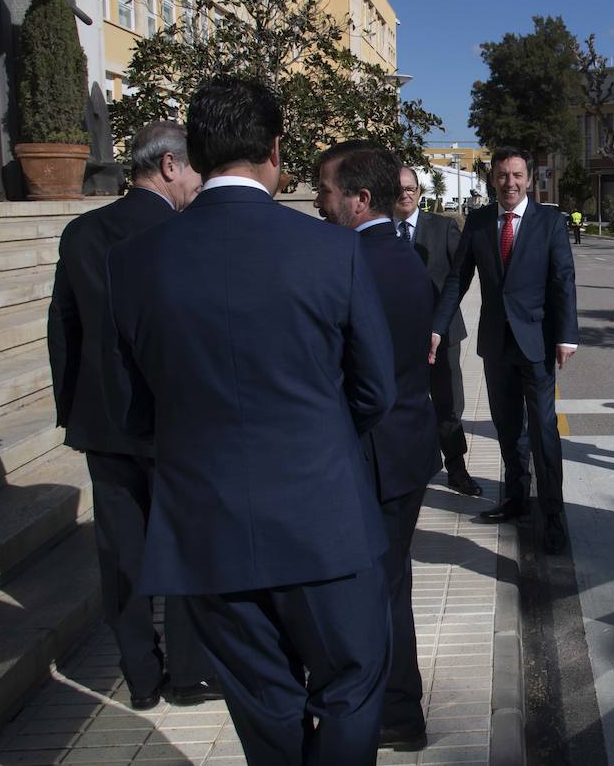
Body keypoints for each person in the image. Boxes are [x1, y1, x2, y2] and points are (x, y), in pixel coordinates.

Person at [104, 76, 396, 765]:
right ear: (273, 149)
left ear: (197, 153)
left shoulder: (132, 262)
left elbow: (130, 410)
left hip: (206, 529)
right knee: (351, 688)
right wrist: (315, 440)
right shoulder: (333, 250)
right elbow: (375, 390)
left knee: (264, 708)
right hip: (324, 522)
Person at [47, 121, 216, 710]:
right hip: (179, 422)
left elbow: (63, 327)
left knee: (122, 553)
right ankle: (190, 672)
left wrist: (73, 412)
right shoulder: (189, 231)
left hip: (105, 424)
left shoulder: (82, 232)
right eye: (195, 169)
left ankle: (142, 678)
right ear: (170, 166)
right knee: (188, 544)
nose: (200, 182)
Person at [316, 143, 440, 752]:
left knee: (379, 590)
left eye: (327, 191)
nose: (318, 201)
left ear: (360, 199)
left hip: (377, 453)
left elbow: (360, 379)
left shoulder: (352, 261)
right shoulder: (402, 254)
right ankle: (398, 710)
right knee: (391, 584)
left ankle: (396, 712)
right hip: (406, 446)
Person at [432, 146, 579, 554]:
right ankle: (517, 499)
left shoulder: (549, 221)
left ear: (528, 179)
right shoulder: (479, 222)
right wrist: (437, 327)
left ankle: (552, 515)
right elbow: (456, 280)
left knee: (544, 431)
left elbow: (563, 280)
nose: (510, 182)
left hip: (536, 342)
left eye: (517, 175)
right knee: (508, 428)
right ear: (492, 179)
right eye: (502, 175)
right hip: (496, 345)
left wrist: (567, 335)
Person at [398, 164, 482, 497]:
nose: (405, 194)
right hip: (398, 339)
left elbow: (459, 276)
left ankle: (457, 470)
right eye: (399, 188)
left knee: (448, 405)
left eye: (410, 188)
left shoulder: (443, 227)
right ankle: (407, 471)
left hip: (442, 334)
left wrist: (439, 320)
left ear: (419, 192)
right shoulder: (380, 231)